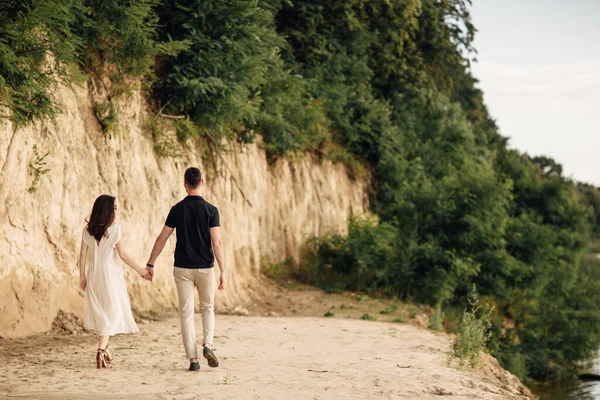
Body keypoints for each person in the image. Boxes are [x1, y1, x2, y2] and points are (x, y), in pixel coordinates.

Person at [145, 167, 226, 372]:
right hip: (206, 268)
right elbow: (216, 243)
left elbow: (161, 238)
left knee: (186, 313)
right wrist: (223, 270)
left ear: (184, 184)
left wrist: (151, 263)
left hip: (182, 268)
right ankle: (208, 344)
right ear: (202, 182)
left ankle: (193, 360)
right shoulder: (211, 210)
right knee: (207, 307)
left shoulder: (177, 209)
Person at [78, 195, 150, 369]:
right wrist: (140, 270)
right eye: (114, 207)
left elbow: (82, 255)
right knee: (113, 313)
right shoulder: (115, 230)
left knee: (103, 313)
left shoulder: (87, 230)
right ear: (108, 211)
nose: (117, 210)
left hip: (94, 274)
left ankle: (106, 348)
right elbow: (123, 255)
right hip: (110, 275)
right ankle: (101, 351)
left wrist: (82, 276)